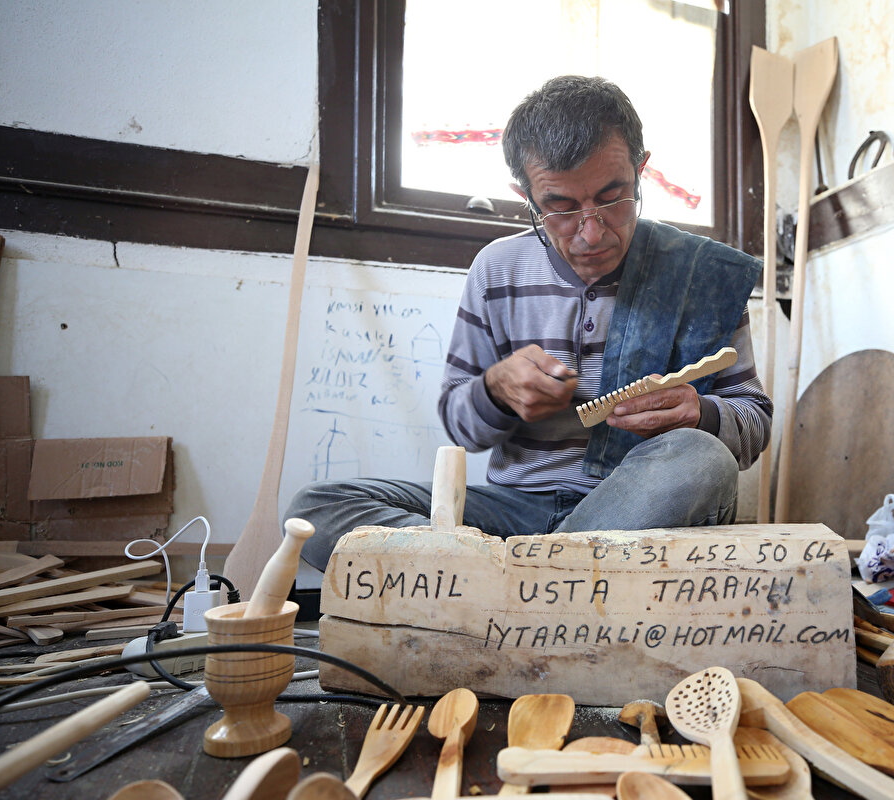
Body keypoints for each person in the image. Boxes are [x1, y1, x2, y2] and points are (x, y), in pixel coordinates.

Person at [288, 75, 772, 571]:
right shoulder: (496, 270)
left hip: (640, 512)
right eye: (560, 208)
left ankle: (506, 579)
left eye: (613, 197)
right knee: (316, 509)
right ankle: (551, 577)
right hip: (513, 513)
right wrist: (495, 389)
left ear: (640, 171)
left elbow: (753, 423)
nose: (591, 232)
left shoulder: (703, 276)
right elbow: (461, 425)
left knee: (701, 458)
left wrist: (701, 414)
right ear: (526, 197)